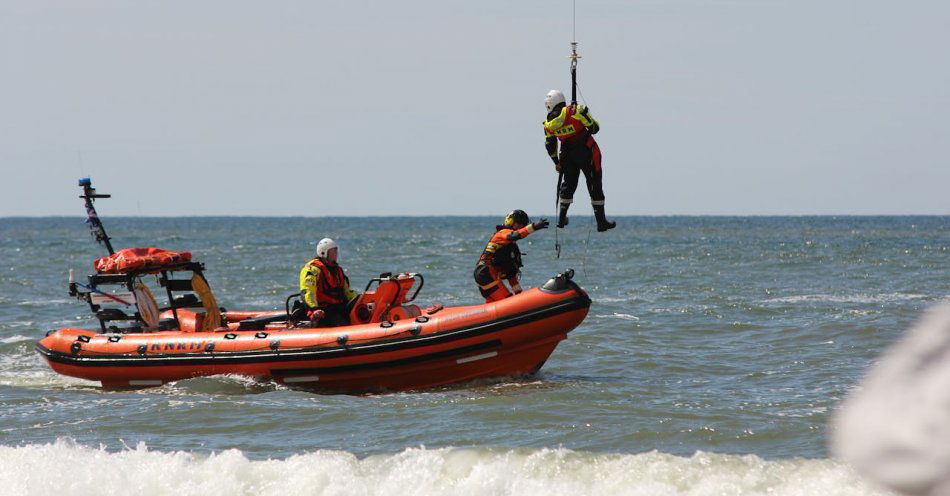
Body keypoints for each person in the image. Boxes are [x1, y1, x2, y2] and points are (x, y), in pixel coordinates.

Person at [543, 89, 616, 232]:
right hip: (586, 151)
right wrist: (582, 115)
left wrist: (556, 162)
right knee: (594, 182)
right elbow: (594, 128)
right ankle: (601, 222)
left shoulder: (547, 124)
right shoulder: (575, 111)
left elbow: (550, 145)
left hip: (566, 154)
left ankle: (562, 219)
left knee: (568, 184)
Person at [473, 210, 549, 303]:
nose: (520, 227)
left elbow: (511, 275)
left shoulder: (510, 249)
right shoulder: (502, 233)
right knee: (507, 301)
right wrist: (534, 227)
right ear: (511, 222)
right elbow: (514, 235)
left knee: (497, 304)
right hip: (485, 273)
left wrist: (519, 295)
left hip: (487, 275)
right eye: (519, 223)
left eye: (523, 225)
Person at [298, 238, 358, 327]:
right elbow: (308, 292)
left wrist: (358, 299)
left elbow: (347, 292)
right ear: (324, 253)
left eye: (336, 251)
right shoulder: (312, 270)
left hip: (337, 307)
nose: (336, 254)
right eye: (333, 252)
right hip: (323, 310)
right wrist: (315, 309)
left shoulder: (338, 271)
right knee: (341, 322)